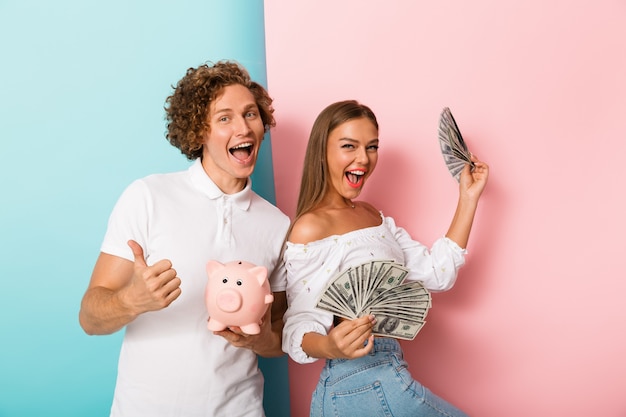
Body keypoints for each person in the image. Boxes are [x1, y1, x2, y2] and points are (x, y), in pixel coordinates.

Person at [78, 61, 290, 417]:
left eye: (250, 114)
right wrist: (132, 300)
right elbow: (89, 317)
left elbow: (280, 337)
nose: (243, 127)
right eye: (224, 117)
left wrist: (261, 339)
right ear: (198, 131)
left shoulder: (277, 224)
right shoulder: (148, 196)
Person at [281, 100, 489, 416]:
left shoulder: (373, 217)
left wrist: (468, 197)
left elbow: (438, 273)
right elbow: (298, 325)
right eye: (349, 146)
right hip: (357, 378)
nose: (363, 159)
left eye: (372, 147)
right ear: (322, 151)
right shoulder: (312, 226)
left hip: (385, 369)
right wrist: (330, 346)